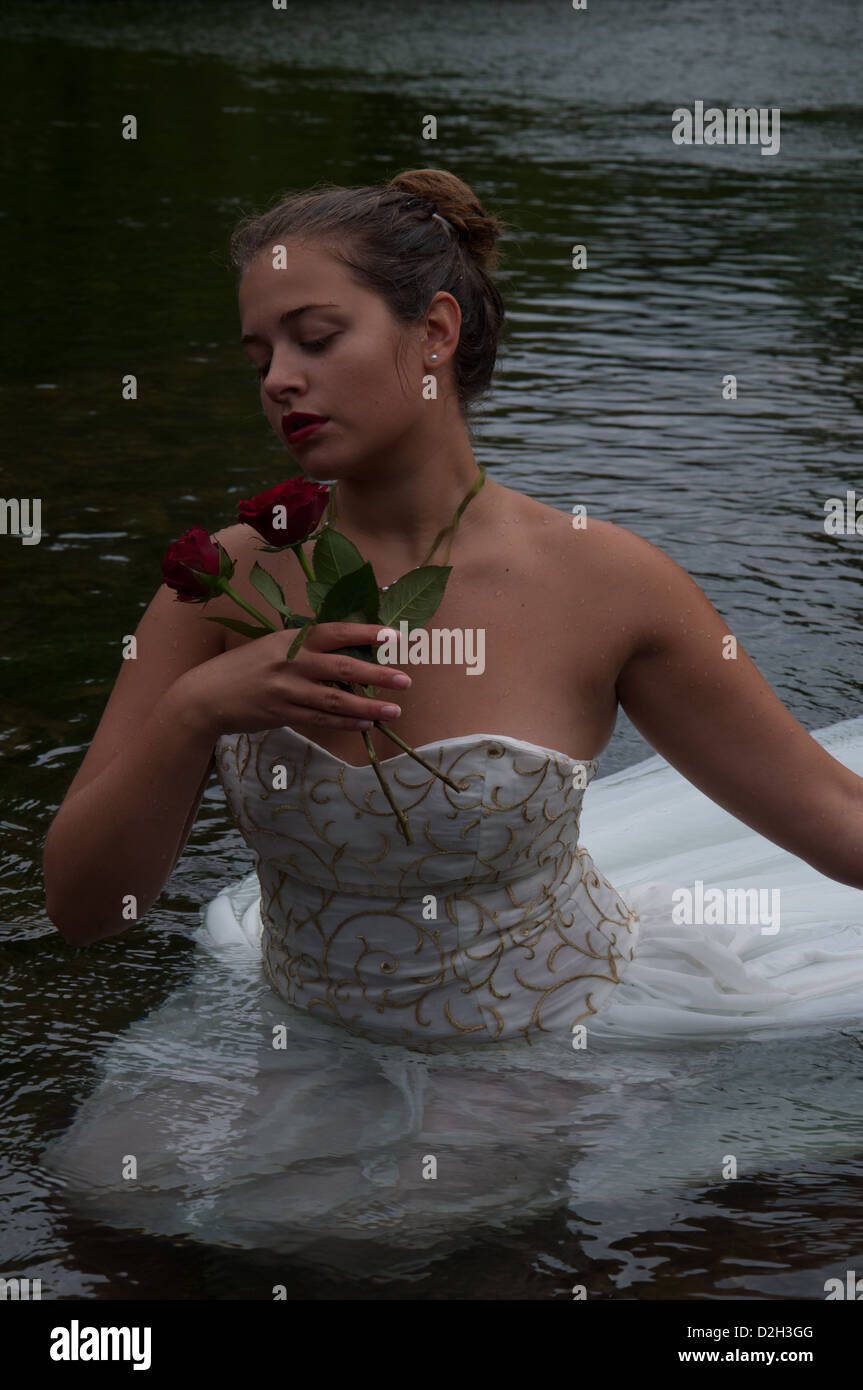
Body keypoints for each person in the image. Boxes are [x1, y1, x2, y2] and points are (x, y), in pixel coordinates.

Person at [40, 169, 863, 1261]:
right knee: (105, 1194)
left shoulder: (601, 581)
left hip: (549, 1038)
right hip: (305, 1019)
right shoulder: (224, 584)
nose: (280, 381)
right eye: (259, 358)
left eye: (314, 338)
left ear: (432, 331)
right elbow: (87, 910)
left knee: (389, 1240)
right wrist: (197, 709)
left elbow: (829, 816)